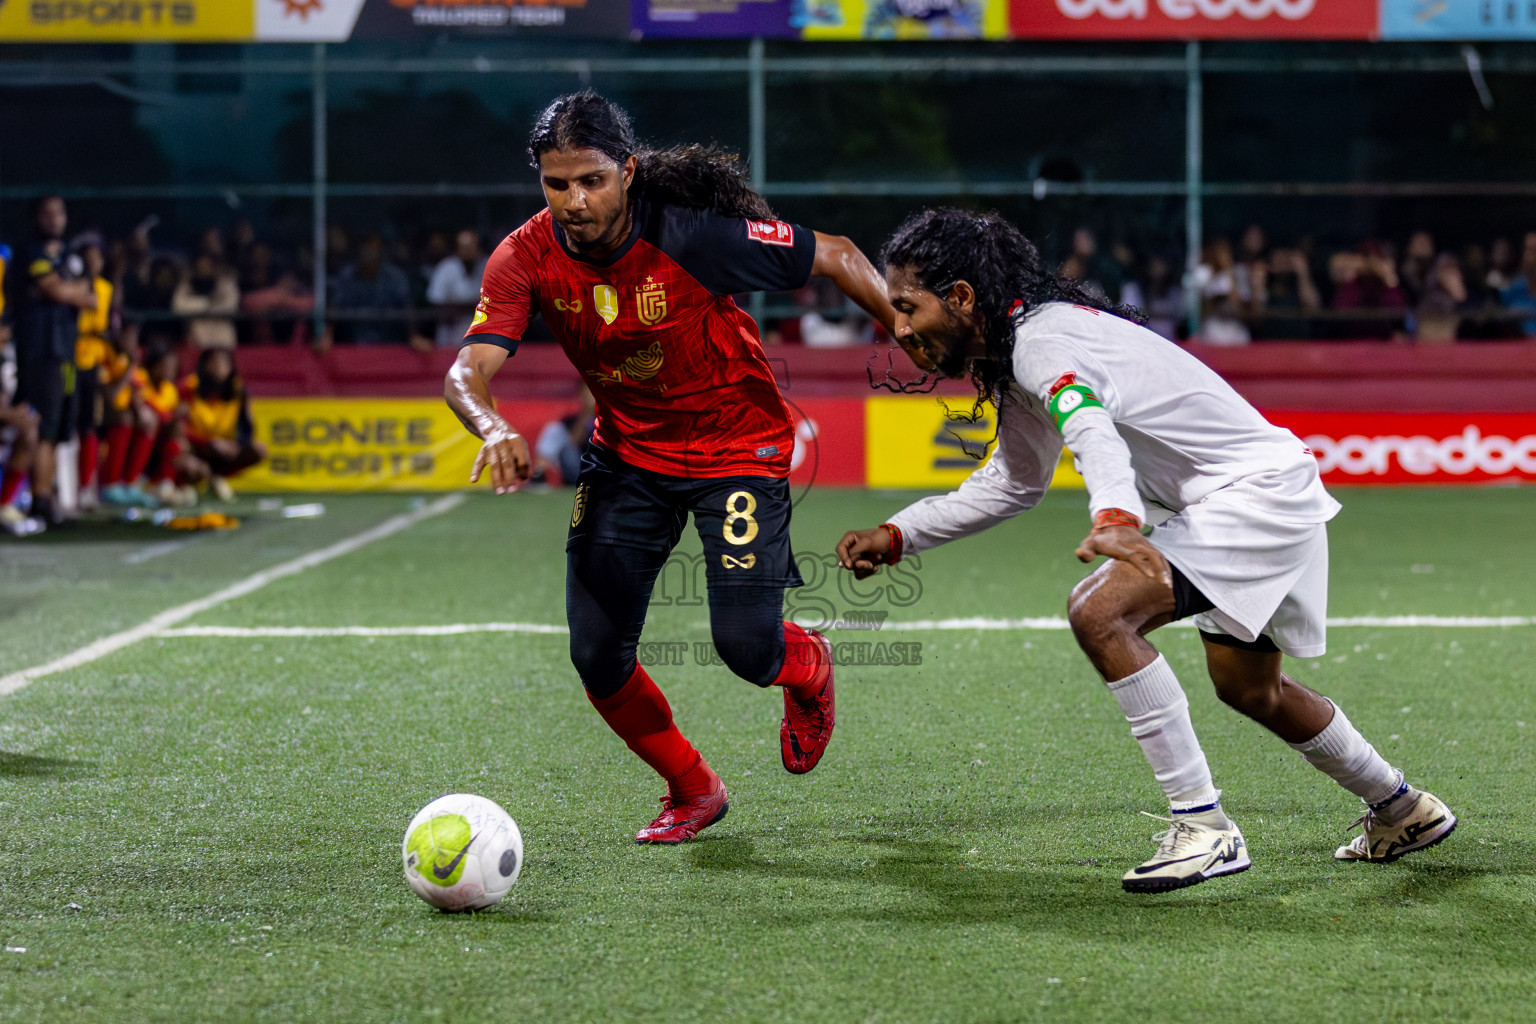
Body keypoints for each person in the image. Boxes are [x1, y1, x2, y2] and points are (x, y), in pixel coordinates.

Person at [836, 207, 1456, 893]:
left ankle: (1205, 828)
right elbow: (1014, 483)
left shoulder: (1042, 344)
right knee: (1252, 689)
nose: (898, 327)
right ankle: (1402, 807)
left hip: (1253, 497)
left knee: (1100, 614)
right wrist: (901, 534)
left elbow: (1089, 426)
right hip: (1268, 489)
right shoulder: (1018, 354)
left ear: (960, 298)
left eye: (906, 307)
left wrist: (1116, 517)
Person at [445, 91, 895, 844]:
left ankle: (807, 663)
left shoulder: (692, 234)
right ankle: (693, 788)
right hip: (626, 456)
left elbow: (840, 253)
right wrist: (490, 425)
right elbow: (468, 369)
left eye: (591, 180)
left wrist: (907, 329)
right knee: (595, 652)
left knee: (748, 650)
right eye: (557, 185)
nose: (574, 201)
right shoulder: (524, 255)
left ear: (626, 171)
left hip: (735, 448)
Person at [0, 196, 97, 527]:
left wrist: (67, 290)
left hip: (65, 351)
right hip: (40, 351)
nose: (55, 219)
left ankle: (43, 495)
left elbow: (89, 294)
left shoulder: (68, 253)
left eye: (60, 212)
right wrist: (68, 291)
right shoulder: (29, 249)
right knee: (39, 422)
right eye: (48, 213)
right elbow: (56, 291)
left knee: (58, 427)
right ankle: (39, 498)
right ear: (35, 217)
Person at [179, 347, 266, 501]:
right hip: (196, 445)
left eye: (224, 362)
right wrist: (208, 442)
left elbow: (247, 427)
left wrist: (237, 444)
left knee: (258, 450)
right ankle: (181, 483)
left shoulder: (237, 389)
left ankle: (216, 477)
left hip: (224, 447)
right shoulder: (189, 387)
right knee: (181, 446)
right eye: (214, 362)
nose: (220, 366)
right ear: (204, 365)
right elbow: (177, 427)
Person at [73, 240, 116, 509]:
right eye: (86, 259)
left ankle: (87, 486)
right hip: (70, 359)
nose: (92, 264)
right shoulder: (71, 286)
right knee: (67, 425)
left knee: (91, 423)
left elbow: (108, 323)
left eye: (96, 258)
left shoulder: (106, 289)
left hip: (94, 362)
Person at [426, 229, 489, 348]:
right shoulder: (446, 268)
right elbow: (436, 303)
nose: (468, 252)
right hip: (450, 339)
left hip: (483, 341)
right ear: (456, 249)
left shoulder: (490, 265)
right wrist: (474, 304)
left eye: (471, 247)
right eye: (464, 248)